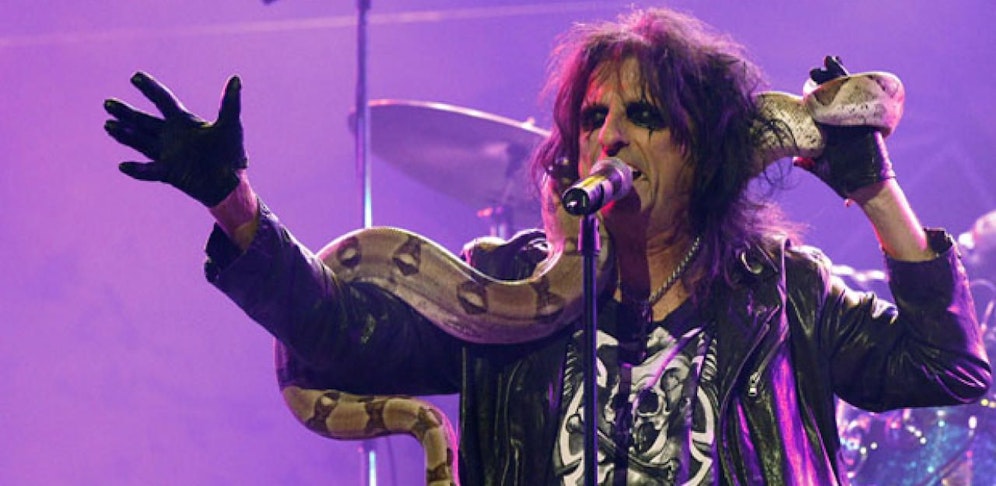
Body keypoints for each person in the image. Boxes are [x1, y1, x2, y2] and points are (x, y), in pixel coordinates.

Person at [103, 7, 990, 485]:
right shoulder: (500, 290)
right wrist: (234, 203)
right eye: (593, 117)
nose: (610, 137)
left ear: (702, 151)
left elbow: (948, 368)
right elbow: (341, 337)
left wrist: (875, 190)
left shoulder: (779, 289)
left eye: (644, 116)